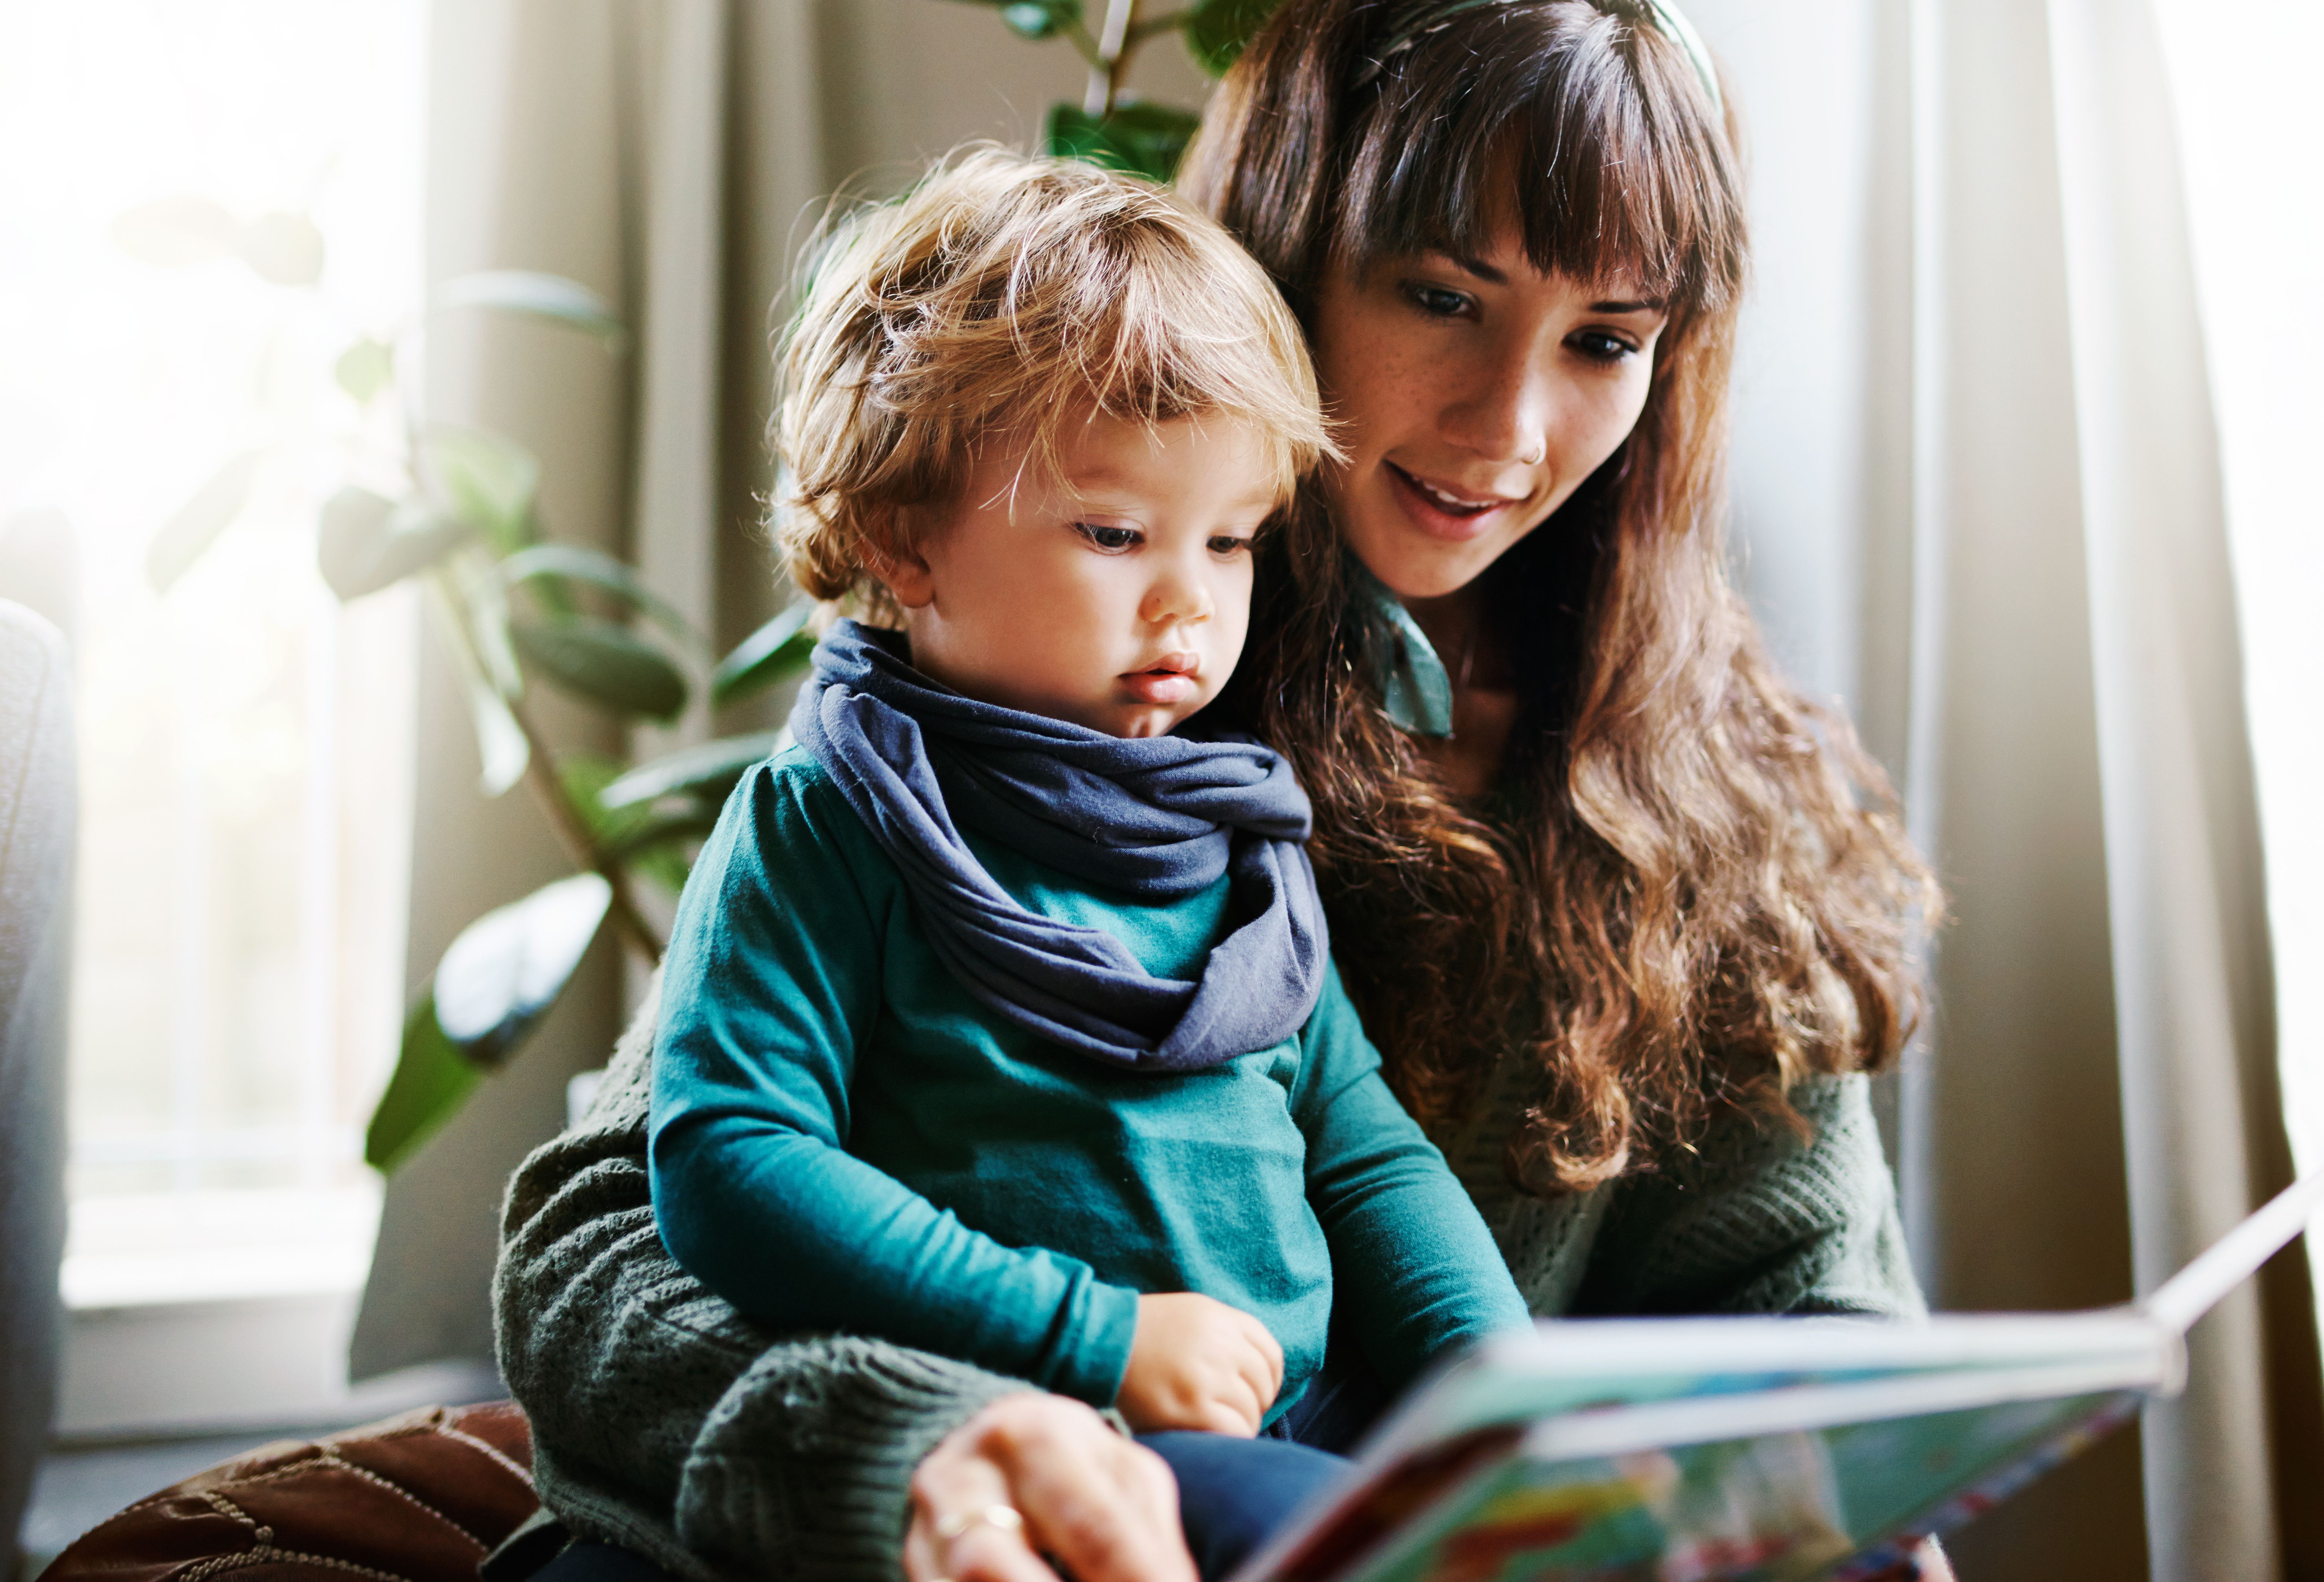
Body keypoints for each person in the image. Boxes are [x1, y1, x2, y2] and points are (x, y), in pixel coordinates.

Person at [494, 3, 1946, 1581]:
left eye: (1604, 340)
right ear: (1284, 247)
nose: (1509, 431)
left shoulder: (1707, 790)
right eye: (1442, 297)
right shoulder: (1006, 684)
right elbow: (604, 1240)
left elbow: (1805, 1321)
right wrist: (921, 1441)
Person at [645, 149, 1530, 1578]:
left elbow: (1364, 1163)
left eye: (1232, 539)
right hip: (1039, 1454)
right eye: (1114, 532)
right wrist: (1094, 1337)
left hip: (1288, 1431)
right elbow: (729, 1161)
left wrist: (1502, 1395)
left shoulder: (1240, 844)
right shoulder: (829, 821)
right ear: (901, 536)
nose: (1190, 597)